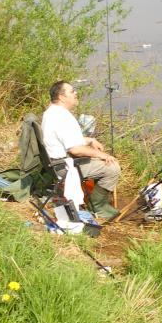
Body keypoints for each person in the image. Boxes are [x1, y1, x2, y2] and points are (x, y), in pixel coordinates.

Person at [42, 81, 120, 219]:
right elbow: (75, 150)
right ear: (61, 97)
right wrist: (101, 155)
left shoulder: (52, 112)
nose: (76, 93)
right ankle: (98, 207)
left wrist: (90, 140)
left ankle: (95, 199)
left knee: (98, 158)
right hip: (62, 167)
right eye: (72, 91)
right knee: (112, 167)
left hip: (53, 163)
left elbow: (65, 139)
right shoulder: (63, 117)